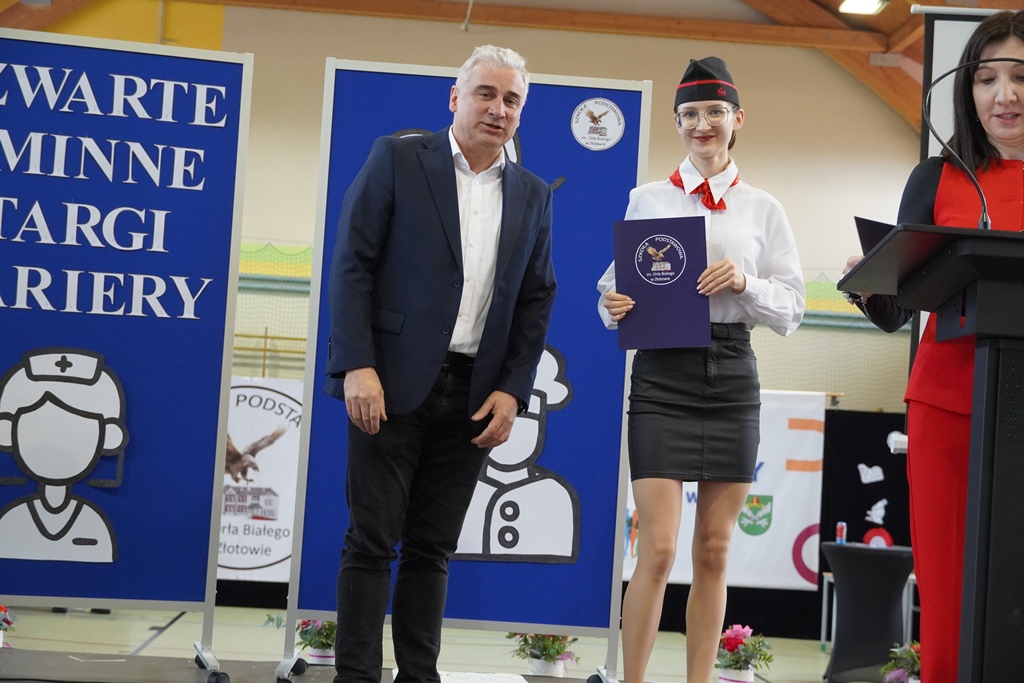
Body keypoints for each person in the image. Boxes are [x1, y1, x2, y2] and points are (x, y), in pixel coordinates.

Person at [324, 45, 556, 683]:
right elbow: (352, 265)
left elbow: (537, 298)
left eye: (512, 100)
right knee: (371, 541)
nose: (498, 109)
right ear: (455, 98)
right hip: (387, 384)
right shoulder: (397, 159)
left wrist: (514, 389)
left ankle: (419, 676)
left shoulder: (533, 194)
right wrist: (357, 366)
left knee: (433, 548)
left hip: (474, 396)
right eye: (486, 93)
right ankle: (356, 676)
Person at [597, 56, 804, 683]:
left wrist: (745, 282)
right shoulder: (648, 198)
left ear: (738, 118)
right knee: (658, 549)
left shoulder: (764, 208)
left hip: (733, 372)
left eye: (714, 112)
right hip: (662, 375)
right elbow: (613, 285)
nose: (702, 124)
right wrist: (611, 304)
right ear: (677, 122)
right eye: (689, 114)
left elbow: (792, 309)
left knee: (714, 549)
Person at [842, 11, 1024, 683]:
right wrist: (868, 285)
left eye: (1020, 77)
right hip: (947, 407)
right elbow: (897, 310)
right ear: (967, 90)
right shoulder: (939, 177)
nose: (1005, 94)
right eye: (987, 78)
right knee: (949, 584)